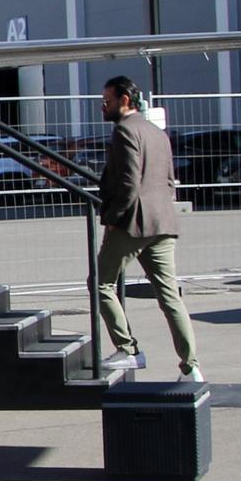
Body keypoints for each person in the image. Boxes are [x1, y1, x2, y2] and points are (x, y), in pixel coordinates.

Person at [95, 75, 202, 382]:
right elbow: (168, 180)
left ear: (124, 100)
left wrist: (114, 218)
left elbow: (130, 181)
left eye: (107, 101)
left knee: (101, 284)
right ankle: (190, 366)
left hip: (133, 223)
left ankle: (127, 350)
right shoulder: (157, 132)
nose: (104, 107)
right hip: (163, 222)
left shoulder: (125, 132)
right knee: (170, 296)